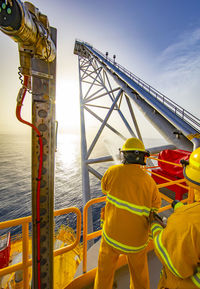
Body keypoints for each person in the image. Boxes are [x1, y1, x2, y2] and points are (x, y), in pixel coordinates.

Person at [94, 137, 161, 289]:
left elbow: (104, 189)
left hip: (111, 237)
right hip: (136, 243)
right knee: (140, 275)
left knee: (104, 272)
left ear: (124, 155)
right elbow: (155, 206)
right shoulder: (149, 182)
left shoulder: (112, 172)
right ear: (143, 157)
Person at [150, 147, 200, 289]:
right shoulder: (187, 217)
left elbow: (173, 262)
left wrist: (155, 226)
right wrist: (180, 208)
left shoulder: (185, 221)